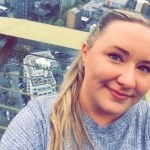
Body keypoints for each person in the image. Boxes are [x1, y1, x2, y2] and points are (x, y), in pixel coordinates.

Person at [1, 9, 150, 150]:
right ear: (85, 53)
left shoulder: (146, 122)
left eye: (144, 68)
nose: (129, 81)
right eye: (115, 57)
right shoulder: (37, 123)